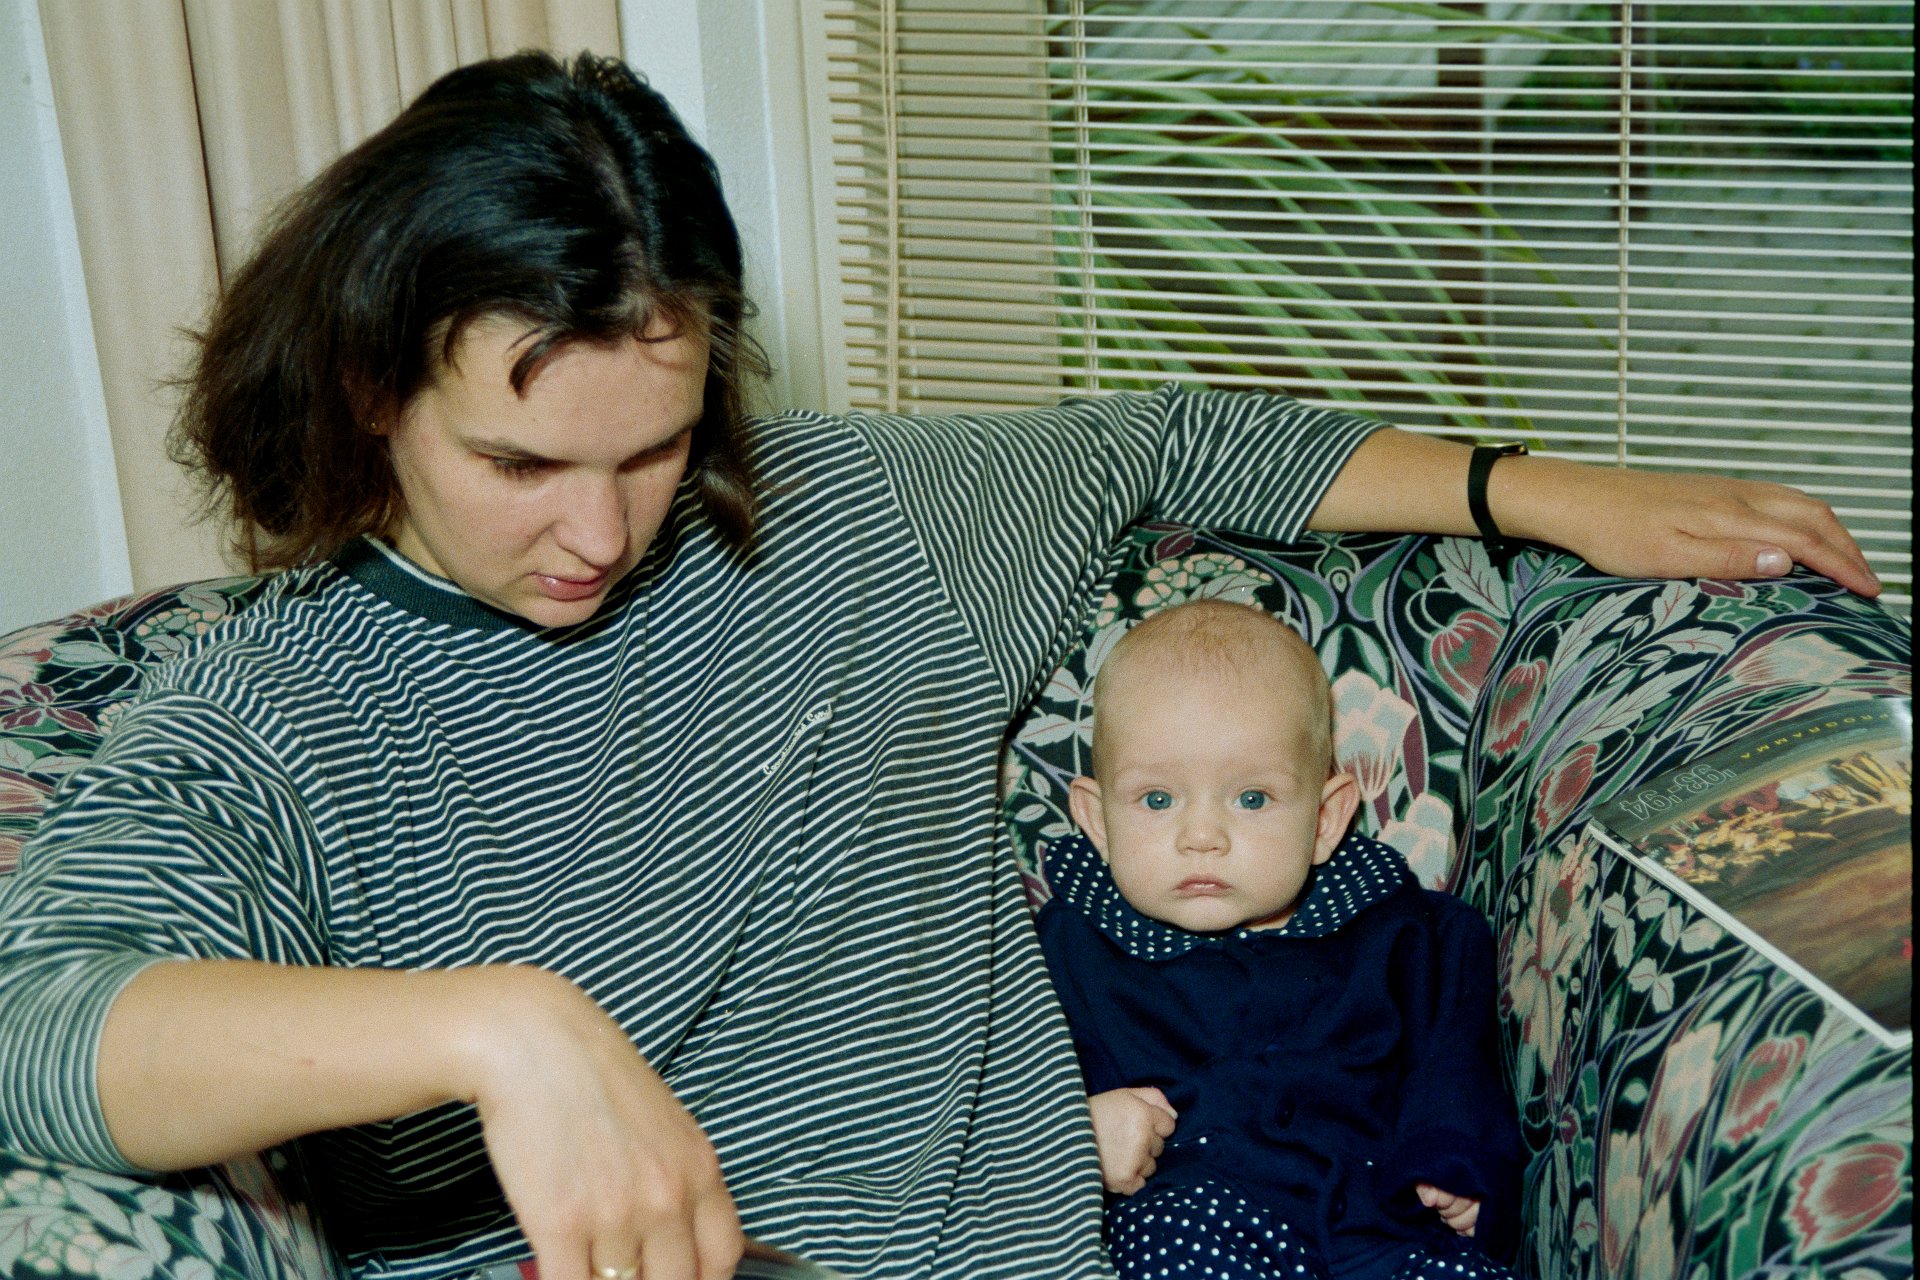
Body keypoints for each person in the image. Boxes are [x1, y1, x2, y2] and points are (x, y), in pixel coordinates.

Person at [0, 48, 1881, 1280]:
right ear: (367, 393)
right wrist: (501, 1030)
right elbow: (44, 1032)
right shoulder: (278, 708)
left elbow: (1171, 443)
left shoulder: (855, 521)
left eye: (652, 450)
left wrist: (1544, 491)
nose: (598, 532)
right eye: (519, 466)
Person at [1036, 600, 1523, 1280]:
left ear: (1324, 820)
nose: (1201, 836)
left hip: (1380, 1224)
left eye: (1252, 798)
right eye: (1157, 800)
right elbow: (987, 1106)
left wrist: (1455, 1160)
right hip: (1193, 1224)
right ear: (1097, 820)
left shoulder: (1411, 934)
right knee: (1167, 1233)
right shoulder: (1057, 953)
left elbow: (1455, 1061)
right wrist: (1077, 1135)